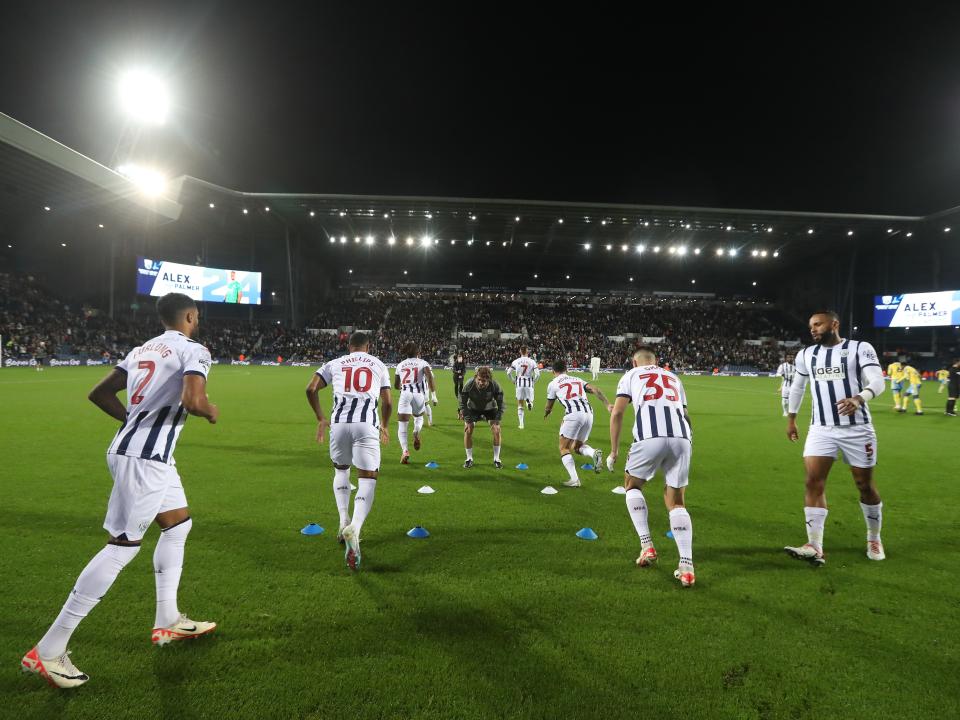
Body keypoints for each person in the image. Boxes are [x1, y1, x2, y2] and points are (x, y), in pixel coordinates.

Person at [22, 293, 220, 689]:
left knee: (178, 525)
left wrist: (135, 421)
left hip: (145, 454)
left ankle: (168, 620)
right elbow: (193, 401)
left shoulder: (141, 349)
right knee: (121, 547)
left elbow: (99, 393)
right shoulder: (195, 349)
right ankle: (48, 649)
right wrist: (210, 410)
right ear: (190, 317)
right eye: (195, 317)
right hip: (144, 461)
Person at [785, 311, 887, 566]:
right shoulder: (807, 354)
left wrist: (859, 398)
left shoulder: (859, 348)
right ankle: (814, 545)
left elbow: (878, 380)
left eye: (818, 324)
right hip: (821, 428)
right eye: (811, 326)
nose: (813, 329)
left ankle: (873, 537)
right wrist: (791, 418)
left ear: (835, 324)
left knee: (864, 485)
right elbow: (798, 386)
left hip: (857, 428)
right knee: (813, 481)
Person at [608, 347, 695, 587]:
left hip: (649, 437)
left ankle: (647, 546)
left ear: (635, 362)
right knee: (676, 501)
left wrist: (614, 451)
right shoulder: (674, 377)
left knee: (632, 485)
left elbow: (617, 414)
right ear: (656, 361)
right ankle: (686, 566)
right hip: (682, 438)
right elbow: (686, 416)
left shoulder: (631, 375)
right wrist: (686, 444)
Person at [306, 331, 392, 571]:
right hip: (366, 425)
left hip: (339, 425)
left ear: (349, 346)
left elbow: (311, 389)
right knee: (368, 478)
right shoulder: (378, 364)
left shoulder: (335, 363)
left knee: (341, 471)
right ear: (368, 346)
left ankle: (343, 519)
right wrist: (384, 425)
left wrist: (321, 418)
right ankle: (354, 526)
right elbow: (387, 402)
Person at [544, 359, 612, 487]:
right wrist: (607, 404)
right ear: (567, 370)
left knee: (564, 448)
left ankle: (574, 480)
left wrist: (547, 413)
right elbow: (595, 389)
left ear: (553, 372)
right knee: (576, 447)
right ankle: (593, 453)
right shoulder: (577, 379)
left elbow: (549, 406)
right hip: (589, 414)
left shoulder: (553, 384)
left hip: (573, 414)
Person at [393, 341, 437, 464]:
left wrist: (403, 386)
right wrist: (433, 396)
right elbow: (430, 377)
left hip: (405, 394)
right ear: (418, 352)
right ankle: (416, 431)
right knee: (418, 418)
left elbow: (396, 385)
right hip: (419, 395)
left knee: (402, 426)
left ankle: (405, 451)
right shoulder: (423, 363)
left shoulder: (400, 365)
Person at [458, 366, 504, 468]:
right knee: (468, 430)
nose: (481, 382)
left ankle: (497, 459)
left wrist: (497, 419)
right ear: (475, 377)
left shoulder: (495, 385)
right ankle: (469, 458)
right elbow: (462, 403)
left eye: (484, 381)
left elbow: (501, 405)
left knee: (496, 429)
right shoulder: (469, 384)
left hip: (489, 409)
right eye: (479, 380)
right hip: (473, 409)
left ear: (489, 380)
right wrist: (468, 420)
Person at [506, 346, 539, 429]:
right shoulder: (532, 361)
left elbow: (508, 373)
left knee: (520, 404)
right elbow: (538, 374)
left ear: (520, 352)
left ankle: (521, 424)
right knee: (531, 400)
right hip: (529, 383)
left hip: (519, 383)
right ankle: (529, 403)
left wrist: (513, 380)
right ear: (527, 352)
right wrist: (533, 381)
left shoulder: (516, 361)